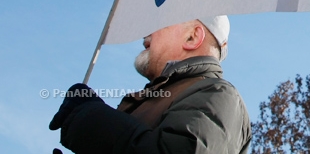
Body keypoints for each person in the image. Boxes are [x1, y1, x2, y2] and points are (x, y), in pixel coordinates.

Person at [49, 16, 251, 153]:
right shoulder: (158, 97)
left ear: (192, 37)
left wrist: (90, 118)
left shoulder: (217, 94)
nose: (147, 33)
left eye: (161, 22)